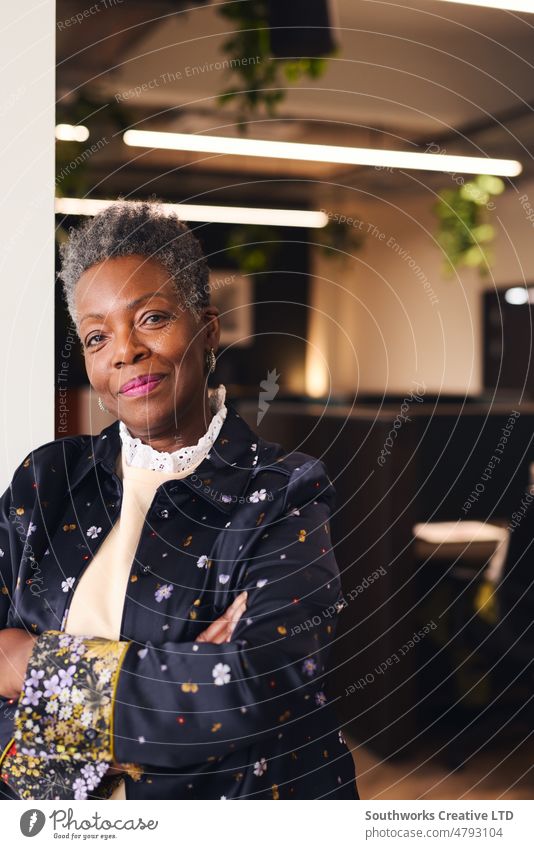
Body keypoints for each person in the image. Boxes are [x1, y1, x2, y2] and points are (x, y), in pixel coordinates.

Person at [0, 201, 359, 801]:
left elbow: (255, 687)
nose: (125, 351)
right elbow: (209, 700)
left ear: (208, 328)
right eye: (97, 336)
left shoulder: (281, 491)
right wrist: (182, 674)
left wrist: (30, 663)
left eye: (152, 318)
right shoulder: (49, 480)